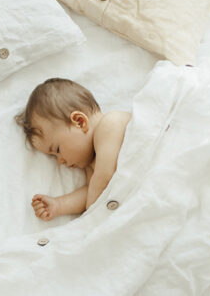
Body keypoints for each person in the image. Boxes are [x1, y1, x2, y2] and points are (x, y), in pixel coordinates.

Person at [15, 78, 131, 221]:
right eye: (53, 157)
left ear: (80, 122)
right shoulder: (91, 167)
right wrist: (59, 205)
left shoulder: (111, 123)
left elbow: (105, 177)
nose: (60, 161)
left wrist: (90, 218)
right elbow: (92, 192)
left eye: (57, 149)